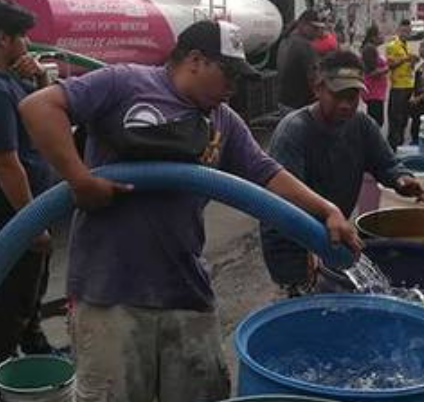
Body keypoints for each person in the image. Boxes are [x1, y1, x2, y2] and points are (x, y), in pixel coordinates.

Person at [19, 20, 362, 402]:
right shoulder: (124, 84)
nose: (233, 88)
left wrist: (327, 210)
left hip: (185, 289)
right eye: (228, 74)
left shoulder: (222, 119)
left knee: (203, 393)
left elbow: (266, 173)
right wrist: (79, 180)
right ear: (196, 60)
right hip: (110, 292)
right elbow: (39, 106)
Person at [260, 50, 424, 296]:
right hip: (291, 237)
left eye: (353, 96)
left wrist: (402, 180)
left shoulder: (361, 126)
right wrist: (309, 245)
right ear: (318, 89)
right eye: (338, 96)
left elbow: (386, 164)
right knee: (304, 303)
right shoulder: (294, 131)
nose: (346, 104)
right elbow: (285, 198)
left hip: (332, 230)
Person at [0, 2, 55, 364]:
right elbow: (5, 162)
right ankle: (0, 365)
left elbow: (42, 118)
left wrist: (41, 79)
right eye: (22, 36)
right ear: (3, 38)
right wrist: (30, 223)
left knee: (32, 287)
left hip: (31, 207)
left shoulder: (9, 81)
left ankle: (32, 341)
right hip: (10, 215)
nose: (27, 43)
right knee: (11, 299)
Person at [277, 10, 324, 110]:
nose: (317, 32)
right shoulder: (304, 46)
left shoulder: (286, 39)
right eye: (314, 28)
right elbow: (314, 79)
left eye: (319, 28)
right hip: (300, 106)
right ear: (302, 24)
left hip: (284, 102)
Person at [386, 19, 418, 151]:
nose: (406, 33)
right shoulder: (392, 45)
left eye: (408, 31)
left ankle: (400, 145)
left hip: (408, 85)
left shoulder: (406, 46)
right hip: (398, 87)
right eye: (404, 31)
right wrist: (405, 59)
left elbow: (407, 66)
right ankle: (393, 147)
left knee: (404, 119)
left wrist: (412, 62)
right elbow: (391, 65)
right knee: (396, 120)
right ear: (399, 31)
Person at [361, 24, 388, 127]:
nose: (383, 36)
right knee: (376, 122)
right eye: (380, 34)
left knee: (377, 121)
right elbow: (371, 72)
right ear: (373, 37)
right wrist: (388, 67)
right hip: (373, 93)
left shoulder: (373, 48)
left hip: (377, 93)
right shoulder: (369, 49)